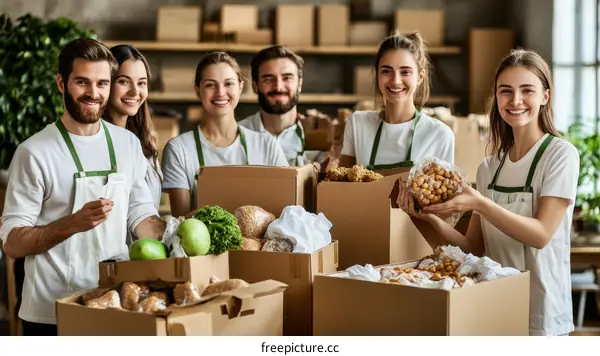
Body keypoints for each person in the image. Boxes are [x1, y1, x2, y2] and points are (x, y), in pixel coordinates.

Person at [397, 48, 579, 336]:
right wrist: (428, 217)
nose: (515, 101)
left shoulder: (560, 155)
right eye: (505, 91)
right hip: (494, 306)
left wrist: (480, 203)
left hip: (543, 314)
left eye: (527, 91)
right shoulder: (489, 168)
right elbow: (475, 248)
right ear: (496, 97)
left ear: (545, 96)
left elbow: (541, 234)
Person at [0, 38, 167, 336]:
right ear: (62, 83)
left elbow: (139, 213)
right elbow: (12, 242)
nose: (93, 93)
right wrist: (71, 224)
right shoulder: (34, 152)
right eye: (82, 82)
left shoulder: (127, 143)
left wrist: (172, 233)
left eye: (102, 83)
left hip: (114, 302)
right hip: (49, 312)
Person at [161, 51, 289, 218]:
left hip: (258, 244)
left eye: (228, 84)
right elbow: (181, 220)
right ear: (197, 90)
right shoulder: (179, 149)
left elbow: (286, 211)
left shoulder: (267, 145)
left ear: (240, 87)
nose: (220, 92)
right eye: (210, 85)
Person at [339, 31, 455, 170]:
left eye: (405, 72)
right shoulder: (358, 124)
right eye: (386, 71)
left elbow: (444, 188)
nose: (395, 81)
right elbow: (342, 184)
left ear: (420, 77)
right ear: (377, 75)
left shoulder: (439, 135)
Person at [238, 45, 328, 167]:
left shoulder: (321, 138)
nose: (278, 87)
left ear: (300, 84)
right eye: (268, 80)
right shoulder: (236, 135)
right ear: (255, 86)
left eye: (287, 78)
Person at [104, 44, 162, 212]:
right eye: (123, 81)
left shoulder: (144, 140)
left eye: (141, 83)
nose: (135, 91)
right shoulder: (94, 139)